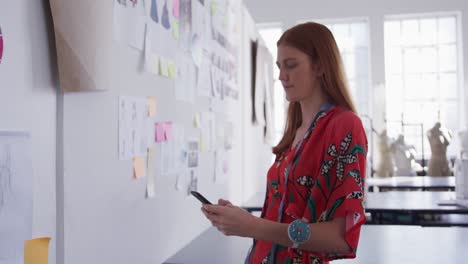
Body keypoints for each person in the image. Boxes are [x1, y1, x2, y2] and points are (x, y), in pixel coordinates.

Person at [201, 22, 368, 264]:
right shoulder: (295, 133)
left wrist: (252, 226)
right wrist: (238, 218)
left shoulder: (344, 126)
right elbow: (281, 216)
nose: (281, 76)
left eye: (291, 65)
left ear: (320, 65)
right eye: (279, 67)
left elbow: (342, 238)